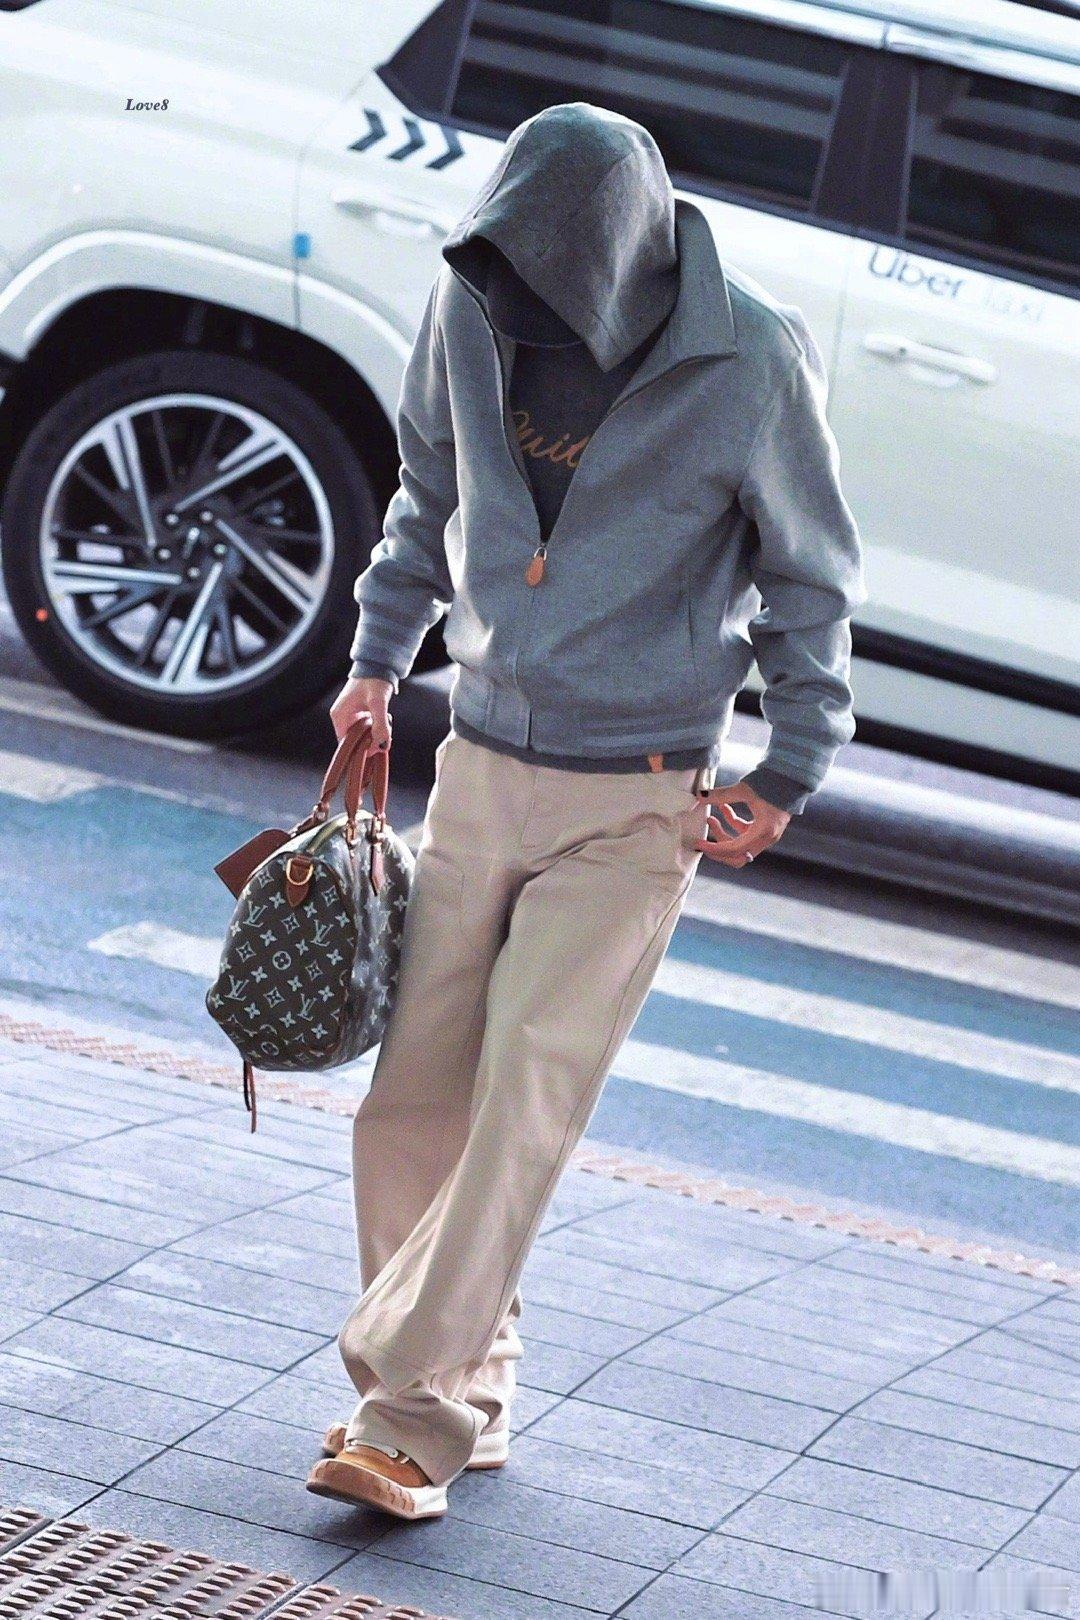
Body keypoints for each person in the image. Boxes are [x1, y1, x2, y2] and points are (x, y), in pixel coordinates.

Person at [306, 101, 865, 1520]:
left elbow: (809, 582)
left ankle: (406, 1409)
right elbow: (425, 488)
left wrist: (791, 767)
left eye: (554, 284)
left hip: (639, 797)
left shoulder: (753, 359)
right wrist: (375, 664)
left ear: (621, 256)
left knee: (522, 1101)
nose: (525, 311)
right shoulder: (469, 300)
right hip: (479, 763)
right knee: (410, 1098)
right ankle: (468, 1385)